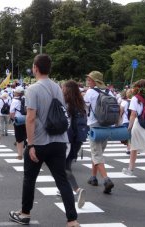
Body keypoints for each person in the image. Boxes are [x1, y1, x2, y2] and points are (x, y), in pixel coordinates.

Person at [9, 54, 79, 227]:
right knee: (61, 180)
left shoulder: (33, 89)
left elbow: (31, 118)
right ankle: (72, 219)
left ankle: (25, 213)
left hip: (40, 141)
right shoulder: (58, 87)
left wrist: (30, 144)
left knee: (30, 179)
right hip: (59, 141)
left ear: (35, 68)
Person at [83, 71, 114, 194]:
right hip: (106, 124)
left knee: (97, 154)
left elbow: (84, 107)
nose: (88, 81)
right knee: (97, 152)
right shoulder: (109, 91)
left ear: (95, 81)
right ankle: (93, 177)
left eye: (90, 79)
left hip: (94, 125)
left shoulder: (90, 92)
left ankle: (106, 180)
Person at [122, 79, 145, 181]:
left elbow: (133, 115)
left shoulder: (135, 98)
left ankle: (130, 169)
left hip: (139, 124)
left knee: (134, 148)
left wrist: (129, 127)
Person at [62, 80, 86, 209]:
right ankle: (63, 188)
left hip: (67, 139)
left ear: (67, 90)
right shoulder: (80, 103)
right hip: (78, 139)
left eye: (63, 88)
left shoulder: (67, 104)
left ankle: (77, 189)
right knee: (67, 165)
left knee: (64, 168)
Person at [10, 86, 27, 160]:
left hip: (18, 120)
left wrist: (13, 120)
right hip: (27, 120)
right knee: (28, 137)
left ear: (16, 93)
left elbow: (12, 113)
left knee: (19, 139)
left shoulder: (14, 101)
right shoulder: (27, 99)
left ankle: (20, 155)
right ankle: (28, 153)